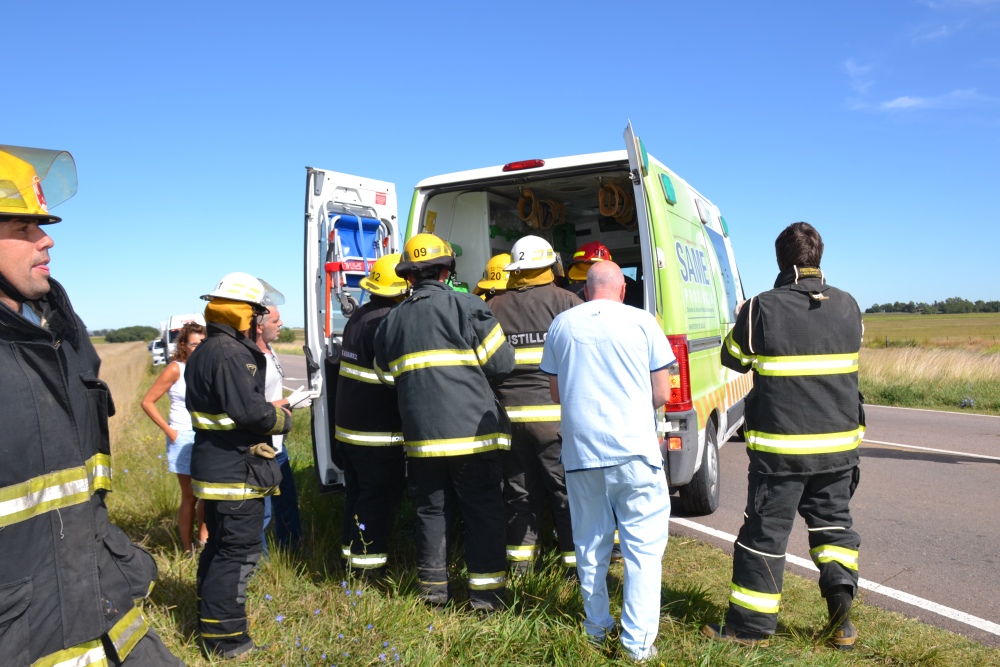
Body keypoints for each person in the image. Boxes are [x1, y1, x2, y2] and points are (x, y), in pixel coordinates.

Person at [0, 144, 184, 665]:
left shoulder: (58, 331)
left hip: (102, 603)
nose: (46, 238)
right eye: (23, 229)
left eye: (43, 224)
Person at [702, 222, 864, 650]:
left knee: (765, 537)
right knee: (835, 533)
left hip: (782, 454)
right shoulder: (850, 306)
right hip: (840, 449)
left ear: (781, 261)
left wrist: (741, 317)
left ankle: (749, 630)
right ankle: (842, 625)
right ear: (818, 258)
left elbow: (733, 359)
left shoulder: (761, 308)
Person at [373, 233, 515, 612]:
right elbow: (502, 364)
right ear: (446, 269)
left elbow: (386, 378)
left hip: (421, 440)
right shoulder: (467, 306)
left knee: (430, 512)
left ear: (408, 276)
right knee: (482, 511)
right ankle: (486, 598)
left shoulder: (391, 321)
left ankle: (433, 594)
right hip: (473, 438)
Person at [540, 260, 673, 662]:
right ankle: (637, 644)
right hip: (634, 451)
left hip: (581, 453)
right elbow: (662, 392)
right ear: (622, 290)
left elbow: (556, 394)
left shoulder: (561, 325)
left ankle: (597, 629)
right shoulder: (642, 321)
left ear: (585, 290)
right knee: (643, 550)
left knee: (589, 544)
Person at [186, 271, 292, 659]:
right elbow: (251, 413)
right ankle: (227, 641)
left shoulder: (206, 350)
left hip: (216, 469)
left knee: (219, 550)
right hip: (236, 474)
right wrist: (284, 419)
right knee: (239, 554)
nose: (258, 319)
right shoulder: (232, 354)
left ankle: (211, 627)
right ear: (241, 313)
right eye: (255, 312)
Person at [488, 236, 581, 574]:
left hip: (509, 421)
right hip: (555, 422)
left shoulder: (493, 306)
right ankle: (575, 570)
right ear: (549, 265)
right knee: (566, 497)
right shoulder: (568, 301)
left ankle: (520, 571)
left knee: (518, 496)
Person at [335, 253, 408, 577]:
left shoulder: (362, 314)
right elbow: (396, 376)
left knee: (356, 496)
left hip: (349, 430)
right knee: (376, 500)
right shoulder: (387, 321)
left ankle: (349, 557)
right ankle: (367, 572)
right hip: (376, 433)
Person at [141, 321, 210, 555]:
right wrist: (170, 431)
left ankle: (203, 538)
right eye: (193, 343)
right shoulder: (176, 369)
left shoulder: (206, 367)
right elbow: (147, 402)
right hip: (183, 436)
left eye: (203, 342)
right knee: (190, 495)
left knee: (207, 493)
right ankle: (186, 547)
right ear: (183, 345)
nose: (198, 347)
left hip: (206, 435)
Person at [254, 291, 303, 553]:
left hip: (277, 444)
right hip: (261, 446)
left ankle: (292, 551)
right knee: (263, 510)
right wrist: (287, 404)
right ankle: (261, 567)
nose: (281, 324)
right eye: (276, 320)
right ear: (259, 325)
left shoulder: (270, 351)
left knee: (287, 502)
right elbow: (250, 407)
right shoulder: (250, 357)